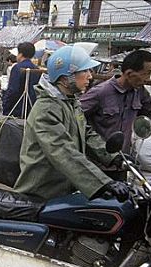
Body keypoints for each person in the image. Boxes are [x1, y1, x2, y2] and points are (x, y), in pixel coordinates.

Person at [14, 45, 128, 203]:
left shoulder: (71, 101)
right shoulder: (47, 108)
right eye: (85, 71)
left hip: (64, 186)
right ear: (65, 79)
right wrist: (103, 182)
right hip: (43, 191)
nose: (90, 76)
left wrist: (114, 157)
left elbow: (87, 133)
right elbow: (62, 150)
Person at [80, 50, 151, 157]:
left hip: (123, 160)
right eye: (147, 73)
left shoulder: (140, 92)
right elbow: (76, 119)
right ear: (129, 74)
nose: (148, 79)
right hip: (99, 161)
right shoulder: (100, 93)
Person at [2, 42, 40, 118]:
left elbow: (13, 90)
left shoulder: (17, 68)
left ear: (20, 54)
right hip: (32, 108)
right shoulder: (37, 69)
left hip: (17, 108)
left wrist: (5, 105)